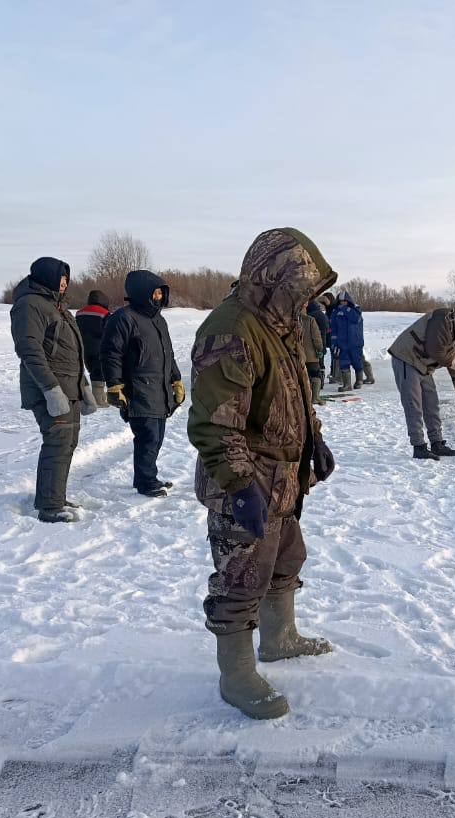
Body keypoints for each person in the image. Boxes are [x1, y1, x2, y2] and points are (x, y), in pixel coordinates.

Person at [188, 227, 338, 720]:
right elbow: (215, 422)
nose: (305, 300)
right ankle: (236, 673)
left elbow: (296, 391)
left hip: (283, 477)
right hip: (245, 480)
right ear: (273, 278)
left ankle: (280, 638)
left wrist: (314, 437)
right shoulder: (231, 328)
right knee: (241, 577)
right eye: (299, 288)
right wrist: (239, 485)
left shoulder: (281, 324)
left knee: (287, 558)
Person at [9, 256, 99, 523]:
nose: (64, 283)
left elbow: (72, 353)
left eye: (66, 279)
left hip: (69, 388)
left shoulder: (57, 307)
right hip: (48, 390)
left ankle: (55, 496)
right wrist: (50, 388)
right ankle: (49, 506)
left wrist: (83, 387)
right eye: (60, 277)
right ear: (46, 276)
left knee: (68, 443)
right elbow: (29, 350)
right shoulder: (30, 305)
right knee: (57, 442)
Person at [101, 271, 184, 497]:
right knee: (147, 438)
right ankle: (145, 481)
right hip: (139, 389)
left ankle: (149, 476)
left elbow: (168, 353)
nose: (158, 296)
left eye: (161, 292)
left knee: (157, 437)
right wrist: (114, 385)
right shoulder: (123, 318)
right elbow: (111, 354)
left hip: (159, 388)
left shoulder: (158, 319)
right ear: (141, 292)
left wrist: (176, 379)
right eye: (155, 292)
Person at [388, 302, 455, 460]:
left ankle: (437, 443)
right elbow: (435, 349)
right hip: (407, 357)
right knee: (414, 404)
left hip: (423, 364)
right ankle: (419, 446)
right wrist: (453, 362)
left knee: (432, 403)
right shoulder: (443, 319)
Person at [75, 290, 113, 406]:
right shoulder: (105, 313)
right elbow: (110, 332)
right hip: (99, 348)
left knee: (92, 370)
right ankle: (98, 399)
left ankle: (97, 396)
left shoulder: (79, 313)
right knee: (99, 372)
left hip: (83, 348)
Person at [330, 291, 365, 392]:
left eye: (345, 301)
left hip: (355, 343)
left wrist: (346, 309)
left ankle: (359, 380)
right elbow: (333, 328)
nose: (342, 303)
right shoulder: (335, 312)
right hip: (342, 343)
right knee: (343, 363)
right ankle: (347, 384)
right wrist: (334, 342)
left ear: (348, 301)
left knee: (356, 361)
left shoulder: (355, 310)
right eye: (341, 302)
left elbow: (356, 319)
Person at [302, 298, 328, 403]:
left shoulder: (291, 320)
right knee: (315, 375)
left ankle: (305, 397)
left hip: (298, 355)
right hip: (311, 355)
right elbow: (317, 338)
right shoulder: (309, 320)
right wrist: (320, 350)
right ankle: (315, 397)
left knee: (304, 376)